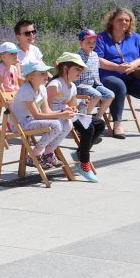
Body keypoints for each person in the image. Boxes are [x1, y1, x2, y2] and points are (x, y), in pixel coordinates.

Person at [97, 6, 140, 138]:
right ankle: (117, 125)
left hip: (132, 76)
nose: (124, 23)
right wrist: (117, 67)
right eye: (120, 20)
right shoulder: (101, 38)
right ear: (112, 21)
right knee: (119, 86)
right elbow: (97, 60)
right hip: (110, 75)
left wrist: (133, 64)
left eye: (127, 20)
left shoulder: (135, 37)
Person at [50, 53, 106, 183]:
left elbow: (71, 105)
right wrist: (64, 110)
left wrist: (77, 106)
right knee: (88, 128)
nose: (80, 73)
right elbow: (45, 107)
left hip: (67, 115)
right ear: (65, 69)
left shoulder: (72, 86)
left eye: (81, 70)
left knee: (99, 124)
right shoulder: (55, 84)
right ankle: (83, 163)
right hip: (55, 116)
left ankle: (80, 153)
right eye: (77, 69)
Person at [11, 60, 74, 167]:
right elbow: (37, 115)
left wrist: (64, 112)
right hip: (20, 124)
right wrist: (60, 114)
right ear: (31, 77)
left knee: (67, 123)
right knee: (56, 125)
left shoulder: (42, 89)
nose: (46, 76)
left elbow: (47, 111)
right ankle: (33, 155)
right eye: (42, 73)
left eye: (46, 72)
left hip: (32, 121)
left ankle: (48, 152)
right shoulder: (26, 90)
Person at [75, 30, 113, 123]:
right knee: (96, 95)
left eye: (94, 42)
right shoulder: (77, 56)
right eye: (88, 42)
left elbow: (96, 70)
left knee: (110, 95)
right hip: (80, 85)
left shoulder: (95, 55)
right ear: (81, 42)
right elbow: (73, 73)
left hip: (94, 83)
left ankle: (97, 118)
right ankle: (83, 119)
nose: (91, 44)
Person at [0, 42, 22, 107]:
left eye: (16, 53)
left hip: (12, 94)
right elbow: (0, 86)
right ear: (3, 57)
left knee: (27, 99)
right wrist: (6, 97)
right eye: (12, 54)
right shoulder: (0, 69)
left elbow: (16, 85)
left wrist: (19, 93)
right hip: (1, 95)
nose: (15, 55)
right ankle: (14, 117)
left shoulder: (14, 68)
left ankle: (23, 116)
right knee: (17, 103)